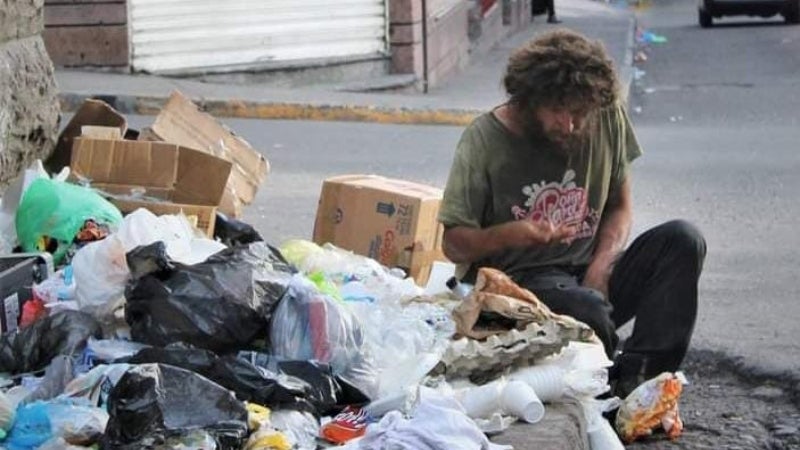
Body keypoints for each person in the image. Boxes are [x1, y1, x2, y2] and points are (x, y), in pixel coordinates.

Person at [437, 29, 706, 399]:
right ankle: (607, 391)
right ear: (530, 102)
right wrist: (511, 234)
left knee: (682, 240)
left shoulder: (606, 114)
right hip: (516, 291)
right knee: (588, 308)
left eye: (579, 113)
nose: (570, 125)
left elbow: (619, 206)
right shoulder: (484, 139)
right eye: (558, 112)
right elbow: (453, 244)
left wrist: (604, 259)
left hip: (587, 274)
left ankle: (644, 380)